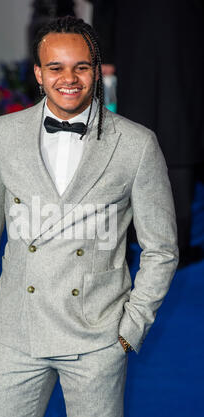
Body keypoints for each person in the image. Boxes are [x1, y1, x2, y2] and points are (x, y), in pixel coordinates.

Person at [0, 16, 179, 417]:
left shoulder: (135, 144)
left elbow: (161, 249)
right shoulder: (4, 135)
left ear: (96, 70)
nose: (68, 79)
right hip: (17, 335)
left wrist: (130, 328)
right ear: (38, 73)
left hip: (97, 336)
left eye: (81, 67)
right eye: (55, 67)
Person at [87, 0, 204, 268]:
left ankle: (129, 241)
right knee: (172, 135)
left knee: (136, 139)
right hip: (178, 42)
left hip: (144, 43)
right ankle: (173, 244)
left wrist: (104, 54)